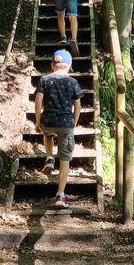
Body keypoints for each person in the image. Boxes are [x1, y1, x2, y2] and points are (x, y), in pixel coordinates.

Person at [34, 49, 82, 208]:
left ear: (52, 65)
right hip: (66, 123)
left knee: (47, 134)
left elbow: (38, 101)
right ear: (69, 66)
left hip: (48, 120)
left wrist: (38, 121)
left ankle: (49, 158)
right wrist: (73, 123)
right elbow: (78, 105)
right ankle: (60, 196)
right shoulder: (73, 82)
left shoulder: (44, 80)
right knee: (65, 159)